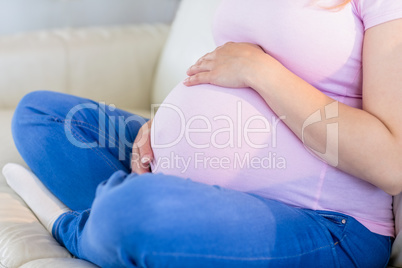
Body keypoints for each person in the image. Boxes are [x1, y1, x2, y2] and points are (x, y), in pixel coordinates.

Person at [5, 0, 402, 266]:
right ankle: (155, 221)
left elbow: (391, 163)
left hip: (326, 222)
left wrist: (260, 71)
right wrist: (165, 125)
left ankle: (79, 228)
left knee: (132, 213)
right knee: (40, 116)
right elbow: (225, 62)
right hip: (202, 179)